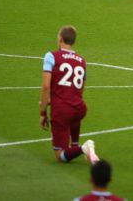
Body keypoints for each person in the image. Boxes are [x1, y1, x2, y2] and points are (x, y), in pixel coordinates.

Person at [39, 26, 99, 164]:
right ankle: (76, 145)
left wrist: (43, 113)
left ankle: (85, 147)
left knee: (60, 155)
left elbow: (46, 86)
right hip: (80, 108)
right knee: (73, 113)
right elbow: (80, 89)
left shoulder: (51, 56)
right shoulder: (82, 61)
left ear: (60, 38)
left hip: (62, 111)